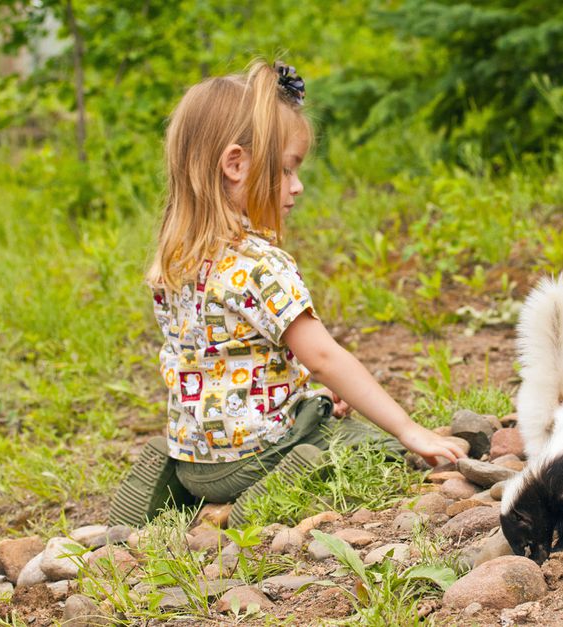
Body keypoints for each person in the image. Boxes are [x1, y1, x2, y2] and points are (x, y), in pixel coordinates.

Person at [109, 60, 466, 529]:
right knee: (374, 447)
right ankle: (279, 483)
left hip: (197, 456)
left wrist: (304, 393)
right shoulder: (261, 263)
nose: (297, 187)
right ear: (235, 164)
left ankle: (173, 481)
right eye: (286, 170)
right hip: (257, 454)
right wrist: (408, 429)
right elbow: (322, 357)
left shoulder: (175, 261)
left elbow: (233, 362)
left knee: (309, 410)